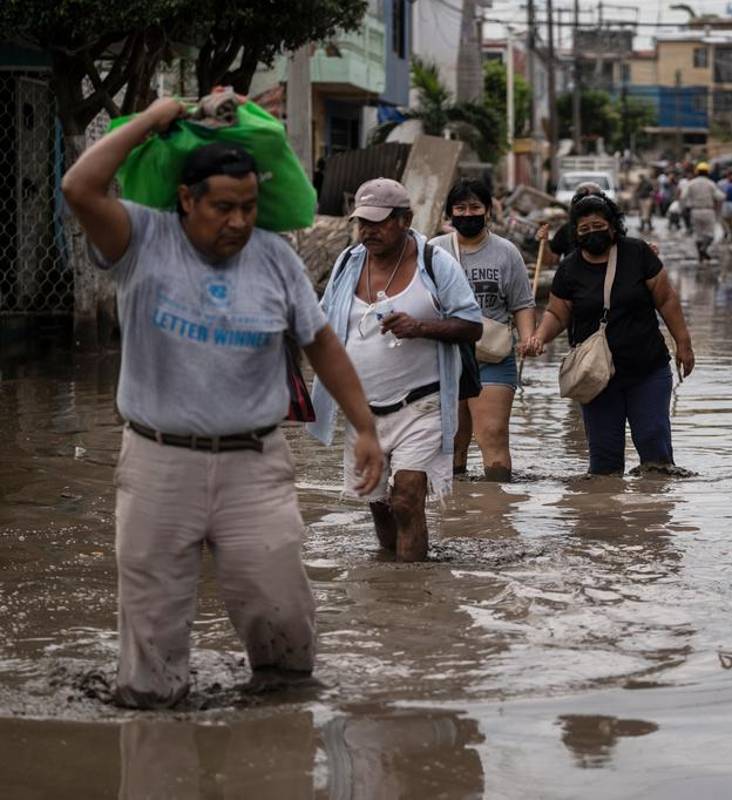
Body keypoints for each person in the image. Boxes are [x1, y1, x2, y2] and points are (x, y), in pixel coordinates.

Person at [60, 98, 386, 708]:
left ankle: (280, 727)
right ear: (186, 201)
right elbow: (79, 186)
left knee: (281, 609)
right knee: (152, 633)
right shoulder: (141, 238)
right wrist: (152, 119)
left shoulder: (275, 259)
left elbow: (322, 344)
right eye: (222, 208)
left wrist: (364, 426)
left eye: (249, 207)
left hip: (254, 465)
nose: (238, 222)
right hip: (158, 462)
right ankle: (154, 732)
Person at [308, 178, 483, 562]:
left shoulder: (436, 263)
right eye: (362, 222)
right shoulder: (347, 263)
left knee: (405, 497)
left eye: (378, 221)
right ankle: (391, 586)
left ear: (405, 219)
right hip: (362, 410)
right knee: (379, 504)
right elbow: (322, 323)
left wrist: (420, 327)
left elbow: (473, 325)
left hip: (422, 405)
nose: (368, 231)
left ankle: (414, 594)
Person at [523, 195, 695, 474]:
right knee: (604, 465)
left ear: (613, 226)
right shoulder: (569, 269)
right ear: (575, 234)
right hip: (595, 377)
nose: (593, 233)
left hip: (647, 369)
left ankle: (654, 514)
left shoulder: (638, 254)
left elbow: (666, 300)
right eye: (584, 229)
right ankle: (604, 515)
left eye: (598, 225)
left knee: (656, 457)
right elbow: (557, 313)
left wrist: (683, 344)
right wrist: (539, 338)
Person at [430, 179, 534, 482]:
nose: (467, 213)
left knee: (492, 433)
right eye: (460, 208)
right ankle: (459, 514)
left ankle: (498, 511)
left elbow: (522, 304)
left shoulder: (507, 252)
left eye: (475, 207)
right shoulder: (433, 252)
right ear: (450, 213)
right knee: (452, 441)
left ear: (488, 210)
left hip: (493, 355)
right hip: (445, 356)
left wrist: (528, 337)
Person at [681, 162, 723, 262]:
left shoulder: (691, 183)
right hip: (708, 211)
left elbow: (683, 196)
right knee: (710, 235)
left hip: (695, 211)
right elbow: (720, 197)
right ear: (707, 172)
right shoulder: (711, 183)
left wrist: (686, 206)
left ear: (697, 172)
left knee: (698, 234)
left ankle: (700, 255)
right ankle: (703, 249)